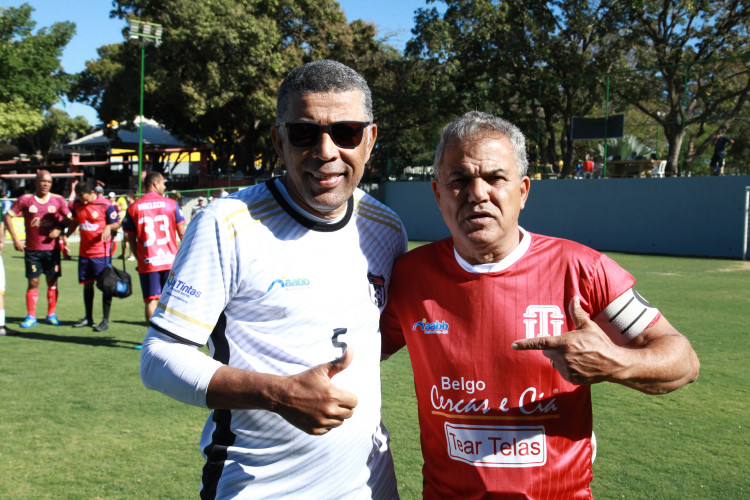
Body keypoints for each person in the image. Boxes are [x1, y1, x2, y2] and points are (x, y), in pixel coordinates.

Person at [380, 111, 700, 499]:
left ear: (523, 191)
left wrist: (614, 363)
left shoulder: (582, 269)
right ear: (437, 193)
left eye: (495, 178)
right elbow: (361, 355)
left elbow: (683, 362)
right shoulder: (409, 277)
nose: (477, 193)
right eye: (459, 180)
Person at [139, 59, 406, 499]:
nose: (326, 151)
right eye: (304, 133)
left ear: (370, 139)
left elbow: (378, 336)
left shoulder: (386, 228)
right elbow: (158, 358)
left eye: (346, 132)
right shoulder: (226, 224)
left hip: (370, 487)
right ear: (278, 142)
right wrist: (280, 393)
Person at [4, 170, 70, 328]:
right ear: (36, 182)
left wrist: (60, 230)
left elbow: (71, 219)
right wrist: (15, 239)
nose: (46, 184)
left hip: (52, 250)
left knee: (52, 281)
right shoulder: (25, 200)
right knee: (33, 281)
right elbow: (7, 216)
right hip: (32, 249)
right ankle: (31, 316)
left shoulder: (58, 200)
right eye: (43, 181)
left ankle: (51, 315)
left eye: (49, 182)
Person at [122, 171, 187, 323]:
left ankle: (153, 336)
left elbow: (130, 238)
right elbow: (182, 234)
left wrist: (139, 258)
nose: (165, 187)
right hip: (171, 261)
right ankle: (171, 335)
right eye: (163, 183)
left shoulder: (134, 207)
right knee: (173, 301)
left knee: (151, 300)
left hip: (149, 261)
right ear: (155, 184)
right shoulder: (171, 204)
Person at [67, 181, 121, 332]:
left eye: (84, 197)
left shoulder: (105, 204)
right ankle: (88, 318)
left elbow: (117, 223)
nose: (83, 201)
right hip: (84, 253)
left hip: (101, 253)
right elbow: (75, 222)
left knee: (106, 286)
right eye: (79, 198)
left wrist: (108, 226)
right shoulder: (77, 204)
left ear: (92, 192)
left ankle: (105, 320)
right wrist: (66, 235)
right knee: (87, 285)